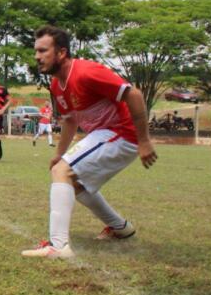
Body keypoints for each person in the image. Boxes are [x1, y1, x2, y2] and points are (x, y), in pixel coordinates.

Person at [21, 25, 157, 258]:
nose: (37, 56)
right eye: (36, 51)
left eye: (43, 51)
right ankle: (120, 227)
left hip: (121, 134)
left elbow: (133, 94)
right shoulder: (56, 84)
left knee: (62, 172)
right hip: (106, 134)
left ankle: (58, 246)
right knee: (73, 183)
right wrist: (59, 153)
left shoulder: (86, 72)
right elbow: (70, 120)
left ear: (61, 52)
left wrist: (144, 141)